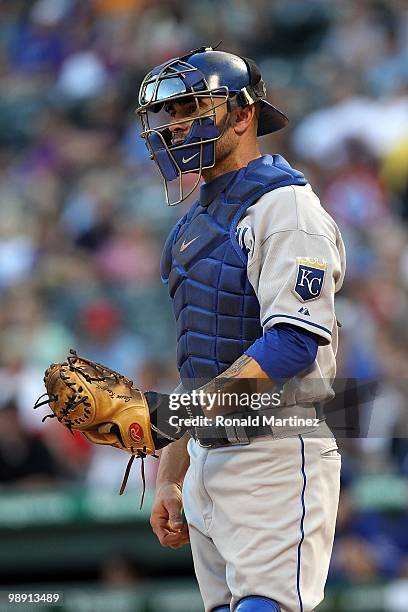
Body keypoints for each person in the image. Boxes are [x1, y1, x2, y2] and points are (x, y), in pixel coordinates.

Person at [135, 46, 346, 612]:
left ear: (243, 114)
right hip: (208, 454)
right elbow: (204, 358)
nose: (176, 126)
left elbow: (293, 343)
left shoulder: (286, 208)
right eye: (170, 114)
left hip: (274, 446)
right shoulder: (192, 226)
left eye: (193, 107)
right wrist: (172, 473)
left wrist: (174, 415)